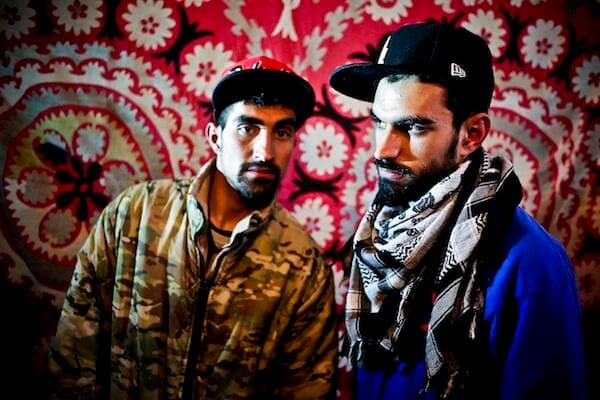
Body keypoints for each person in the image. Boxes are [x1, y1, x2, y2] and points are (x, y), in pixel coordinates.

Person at [49, 56, 337, 399]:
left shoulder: (303, 266)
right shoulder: (134, 216)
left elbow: (306, 391)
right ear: (215, 137)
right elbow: (73, 359)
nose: (265, 150)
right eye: (248, 128)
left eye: (283, 132)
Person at [329, 21, 587, 400]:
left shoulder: (531, 266)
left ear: (472, 134)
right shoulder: (379, 235)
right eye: (379, 123)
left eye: (413, 127)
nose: (383, 149)